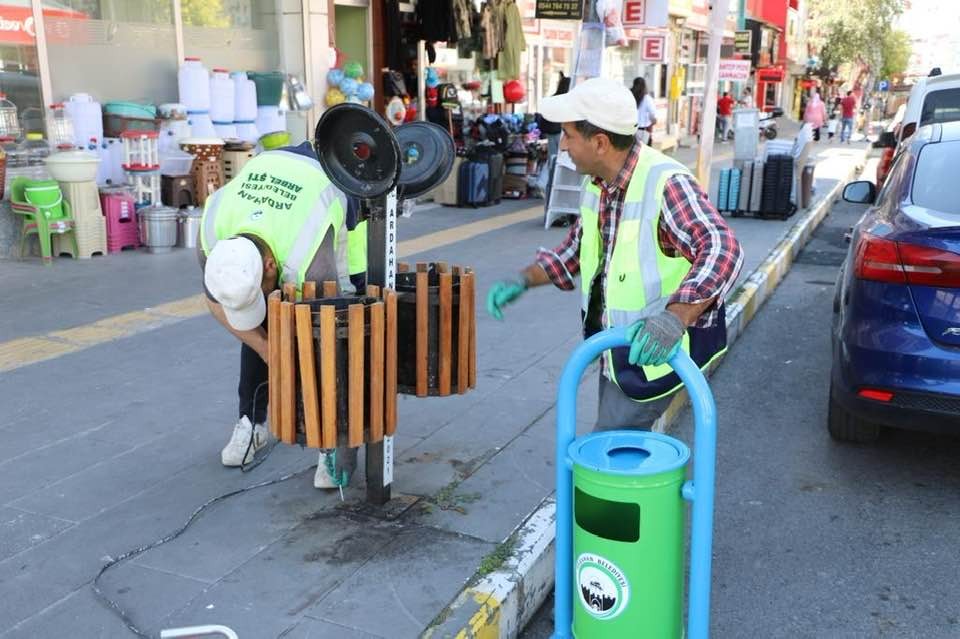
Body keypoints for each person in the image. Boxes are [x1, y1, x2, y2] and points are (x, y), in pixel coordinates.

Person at [486, 78, 743, 431]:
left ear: (600, 142)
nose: (563, 147)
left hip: (655, 354)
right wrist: (524, 279)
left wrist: (674, 318)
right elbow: (575, 249)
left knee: (608, 458)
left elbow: (722, 248)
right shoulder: (598, 184)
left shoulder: (665, 182)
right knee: (617, 455)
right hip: (618, 350)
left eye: (569, 136)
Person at [198, 141, 365, 489]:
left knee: (346, 334)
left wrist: (302, 371)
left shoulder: (312, 260)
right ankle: (252, 422)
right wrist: (265, 347)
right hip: (273, 176)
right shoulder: (214, 233)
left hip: (337, 185)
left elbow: (327, 338)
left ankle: (339, 441)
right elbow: (216, 301)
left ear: (271, 265)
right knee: (261, 322)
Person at [630, 77, 657, 145]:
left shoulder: (630, 96)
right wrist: (653, 122)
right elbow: (653, 116)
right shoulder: (647, 99)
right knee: (644, 151)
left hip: (631, 129)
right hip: (644, 130)